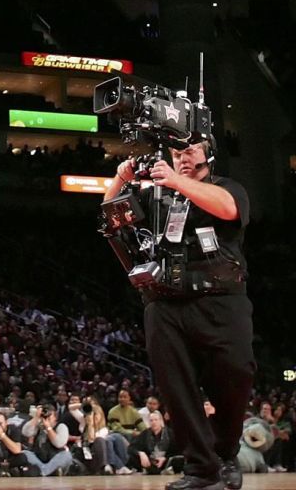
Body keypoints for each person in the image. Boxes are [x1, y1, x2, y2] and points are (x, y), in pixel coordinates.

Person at [103, 138, 255, 490]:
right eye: (175, 154)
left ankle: (226, 452)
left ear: (207, 154)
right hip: (165, 301)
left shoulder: (226, 187)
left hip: (221, 300)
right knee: (176, 387)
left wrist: (174, 179)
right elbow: (111, 215)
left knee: (235, 375)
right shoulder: (155, 193)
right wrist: (120, 178)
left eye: (189, 152)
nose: (181, 159)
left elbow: (230, 209)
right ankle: (201, 470)